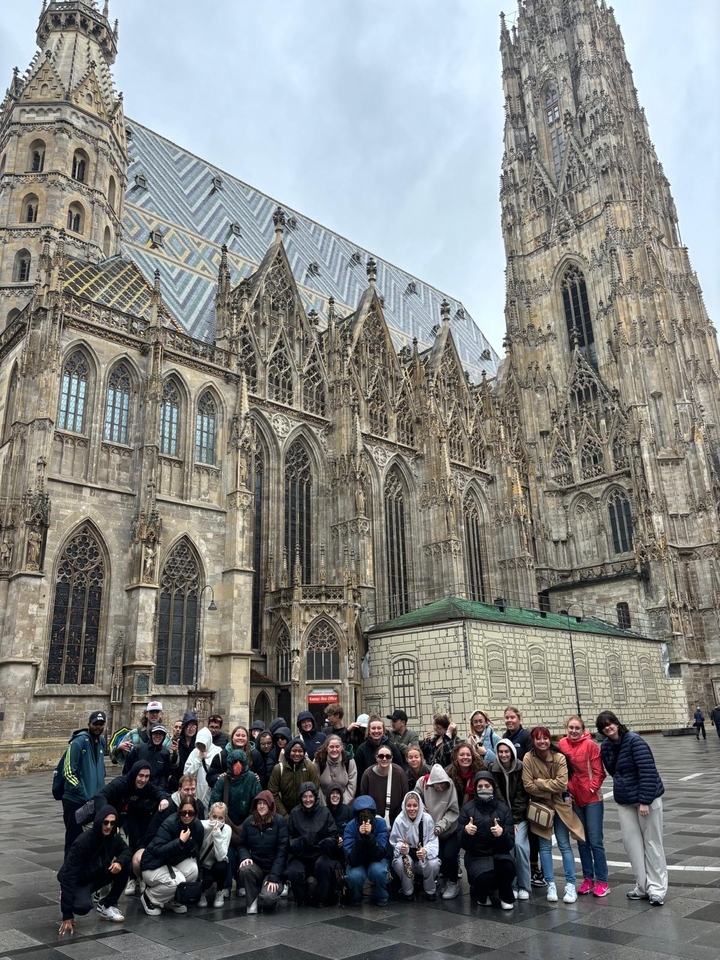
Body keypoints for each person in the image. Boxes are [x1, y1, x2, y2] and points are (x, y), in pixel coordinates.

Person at [597, 710, 667, 906]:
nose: (608, 728)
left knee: (652, 842)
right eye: (603, 726)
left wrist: (645, 800)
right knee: (632, 843)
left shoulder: (635, 741)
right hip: (625, 799)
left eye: (610, 723)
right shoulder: (606, 748)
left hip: (647, 798)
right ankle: (642, 886)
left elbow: (648, 770)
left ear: (617, 723)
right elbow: (614, 772)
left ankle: (657, 889)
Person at [522, 726, 584, 904]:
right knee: (545, 847)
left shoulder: (559, 757)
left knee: (564, 845)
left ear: (550, 739)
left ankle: (570, 884)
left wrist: (540, 783)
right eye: (538, 739)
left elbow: (562, 784)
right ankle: (550, 884)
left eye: (545, 738)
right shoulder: (528, 758)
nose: (542, 742)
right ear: (533, 741)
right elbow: (527, 785)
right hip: (541, 808)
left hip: (560, 806)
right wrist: (549, 788)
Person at [127, 774, 205, 895]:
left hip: (181, 851)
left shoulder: (198, 805)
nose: (190, 793)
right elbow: (152, 833)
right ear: (179, 789)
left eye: (192, 789)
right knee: (138, 860)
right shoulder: (168, 807)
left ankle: (174, 894)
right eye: (186, 789)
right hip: (161, 845)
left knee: (192, 869)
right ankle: (146, 883)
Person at [57, 805, 130, 934]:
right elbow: (69, 876)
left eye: (112, 823)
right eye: (105, 822)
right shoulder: (82, 842)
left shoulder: (113, 837)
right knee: (83, 907)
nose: (108, 826)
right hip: (79, 879)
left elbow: (126, 850)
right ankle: (68, 896)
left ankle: (107, 904)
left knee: (125, 866)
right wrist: (67, 915)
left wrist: (119, 862)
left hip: (98, 874)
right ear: (99, 822)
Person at [558, 716, 609, 897]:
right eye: (571, 727)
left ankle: (602, 881)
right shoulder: (562, 744)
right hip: (574, 799)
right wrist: (566, 791)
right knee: (581, 840)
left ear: (582, 729)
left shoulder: (591, 745)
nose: (573, 731)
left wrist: (591, 788)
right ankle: (588, 878)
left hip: (592, 799)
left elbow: (599, 772)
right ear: (566, 728)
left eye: (577, 728)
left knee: (595, 841)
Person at [457, 770, 516, 910]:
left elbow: (510, 843)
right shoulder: (467, 809)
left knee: (508, 868)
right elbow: (461, 843)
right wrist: (466, 832)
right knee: (483, 877)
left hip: (499, 854)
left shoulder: (503, 809)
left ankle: (505, 894)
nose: (484, 789)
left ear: (493, 787)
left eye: (487, 785)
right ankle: (481, 896)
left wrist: (502, 834)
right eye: (480, 786)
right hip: (477, 856)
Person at [140, 797, 204, 915]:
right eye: (183, 813)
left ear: (195, 814)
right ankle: (150, 896)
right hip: (153, 865)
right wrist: (179, 842)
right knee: (178, 880)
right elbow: (157, 850)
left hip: (172, 862)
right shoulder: (170, 823)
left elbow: (196, 852)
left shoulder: (197, 826)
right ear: (178, 812)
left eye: (190, 813)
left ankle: (172, 899)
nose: (186, 816)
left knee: (193, 869)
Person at [93, 761, 170, 851]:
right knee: (100, 848)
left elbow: (156, 791)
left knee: (124, 850)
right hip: (95, 818)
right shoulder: (121, 784)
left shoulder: (145, 785)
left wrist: (163, 799)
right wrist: (106, 818)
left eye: (147, 776)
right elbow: (100, 795)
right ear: (134, 774)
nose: (143, 780)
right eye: (141, 775)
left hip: (116, 822)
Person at [61, 710, 108, 853]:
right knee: (74, 838)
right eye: (95, 724)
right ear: (89, 724)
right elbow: (68, 771)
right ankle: (68, 872)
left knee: (89, 838)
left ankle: (82, 871)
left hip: (92, 801)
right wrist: (82, 792)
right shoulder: (78, 742)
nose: (98, 727)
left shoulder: (101, 741)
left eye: (101, 724)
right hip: (76, 800)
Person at [489, 738, 531, 900]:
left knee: (520, 846)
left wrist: (514, 820)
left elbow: (522, 797)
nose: (504, 754)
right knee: (508, 847)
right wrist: (507, 821)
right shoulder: (493, 768)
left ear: (512, 752)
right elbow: (497, 796)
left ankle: (524, 885)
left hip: (520, 818)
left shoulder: (521, 767)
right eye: (500, 751)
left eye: (507, 751)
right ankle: (511, 885)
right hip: (503, 819)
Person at [502, 706, 539, 885]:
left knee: (532, 832)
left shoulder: (526, 736)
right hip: (516, 788)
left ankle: (534, 867)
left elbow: (533, 760)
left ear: (519, 718)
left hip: (529, 789)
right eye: (507, 718)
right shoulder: (505, 738)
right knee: (522, 834)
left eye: (512, 717)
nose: (509, 720)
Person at [287, 781, 339, 906]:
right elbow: (288, 836)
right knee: (294, 871)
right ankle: (301, 898)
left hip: (319, 853)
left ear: (315, 797)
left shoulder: (325, 812)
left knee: (325, 865)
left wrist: (326, 843)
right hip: (301, 854)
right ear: (301, 798)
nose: (308, 800)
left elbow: (334, 835)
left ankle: (322, 898)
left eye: (310, 796)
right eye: (305, 797)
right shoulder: (295, 813)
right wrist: (297, 843)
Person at [237, 791, 288, 914]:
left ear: (270, 805)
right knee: (245, 869)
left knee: (268, 899)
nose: (261, 806)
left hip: (273, 870)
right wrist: (245, 857)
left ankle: (273, 894)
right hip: (257, 868)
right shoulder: (249, 822)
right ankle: (251, 901)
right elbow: (241, 844)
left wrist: (274, 877)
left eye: (265, 803)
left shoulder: (279, 821)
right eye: (259, 803)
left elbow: (283, 852)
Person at [418, 764, 461, 899]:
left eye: (443, 784)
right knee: (436, 857)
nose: (440, 787)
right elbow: (414, 798)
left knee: (449, 856)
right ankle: (435, 880)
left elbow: (453, 811)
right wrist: (420, 806)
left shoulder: (451, 786)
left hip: (448, 829)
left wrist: (440, 826)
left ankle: (452, 882)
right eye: (437, 785)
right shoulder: (422, 782)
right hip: (429, 831)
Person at [390, 790, 440, 901]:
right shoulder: (399, 820)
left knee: (434, 864)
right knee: (400, 862)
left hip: (423, 855)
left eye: (415, 805)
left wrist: (425, 851)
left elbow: (433, 841)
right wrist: (401, 847)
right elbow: (394, 841)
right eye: (409, 805)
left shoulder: (427, 819)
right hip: (407, 855)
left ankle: (430, 890)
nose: (412, 809)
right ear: (404, 806)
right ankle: (408, 891)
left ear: (420, 806)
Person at [343, 795, 391, 906]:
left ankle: (381, 896)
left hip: (376, 859)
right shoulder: (350, 827)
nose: (365, 816)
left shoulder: (380, 824)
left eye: (368, 812)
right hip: (357, 861)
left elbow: (380, 853)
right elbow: (351, 859)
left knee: (378, 871)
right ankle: (355, 897)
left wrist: (369, 836)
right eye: (362, 812)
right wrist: (360, 837)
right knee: (355, 876)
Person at [268, 737, 320, 820]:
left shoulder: (310, 767)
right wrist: (285, 816)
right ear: (289, 751)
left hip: (306, 813)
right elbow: (273, 793)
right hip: (284, 813)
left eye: (300, 751)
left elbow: (315, 790)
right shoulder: (278, 769)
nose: (297, 754)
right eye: (294, 751)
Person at [359, 743, 408, 826]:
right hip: (374, 821)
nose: (384, 759)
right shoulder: (368, 775)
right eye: (381, 756)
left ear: (392, 758)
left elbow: (405, 798)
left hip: (397, 820)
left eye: (388, 756)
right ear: (376, 758)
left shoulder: (399, 773)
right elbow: (364, 798)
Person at [197, 801, 232, 908]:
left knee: (223, 865)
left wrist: (217, 834)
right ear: (209, 815)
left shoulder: (226, 829)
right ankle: (201, 892)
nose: (217, 821)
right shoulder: (202, 825)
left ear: (225, 818)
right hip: (202, 864)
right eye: (214, 816)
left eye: (220, 818)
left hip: (216, 862)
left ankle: (219, 891)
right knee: (206, 881)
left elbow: (221, 856)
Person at [122, 722, 172, 789]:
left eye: (161, 734)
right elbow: (127, 770)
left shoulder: (165, 753)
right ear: (151, 734)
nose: (158, 736)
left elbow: (164, 774)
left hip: (154, 790)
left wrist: (160, 788)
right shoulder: (138, 749)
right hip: (135, 788)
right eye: (155, 733)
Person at [354, 716, 402, 782]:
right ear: (369, 730)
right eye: (373, 728)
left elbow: (399, 771)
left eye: (379, 728)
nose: (376, 731)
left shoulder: (392, 748)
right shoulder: (361, 749)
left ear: (383, 730)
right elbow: (359, 775)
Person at [314, 734, 357, 804]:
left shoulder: (349, 761)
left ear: (341, 748)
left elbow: (352, 786)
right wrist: (324, 806)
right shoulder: (318, 761)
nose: (334, 750)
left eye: (337, 747)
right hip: (323, 803)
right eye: (331, 747)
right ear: (326, 748)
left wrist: (341, 805)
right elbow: (316, 786)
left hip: (344, 802)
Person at [184, 726, 222, 805]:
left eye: (203, 744)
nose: (201, 746)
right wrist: (198, 759)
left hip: (212, 791)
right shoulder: (195, 752)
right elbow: (186, 774)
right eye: (199, 744)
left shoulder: (218, 751)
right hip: (197, 791)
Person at [447, 742, 484, 808]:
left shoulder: (481, 772)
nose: (465, 757)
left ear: (472, 757)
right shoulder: (449, 774)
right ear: (456, 758)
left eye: (468, 755)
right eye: (461, 755)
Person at [169, 712, 198, 791]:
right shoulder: (176, 741)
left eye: (193, 726)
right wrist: (175, 754)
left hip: (193, 783)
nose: (190, 729)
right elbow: (171, 763)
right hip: (176, 782)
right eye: (188, 726)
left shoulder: (198, 743)